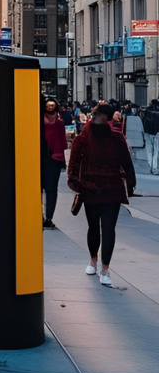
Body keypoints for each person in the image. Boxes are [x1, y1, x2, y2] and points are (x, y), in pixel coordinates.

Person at [67, 101, 136, 286]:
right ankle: (93, 260)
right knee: (93, 228)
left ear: (105, 117)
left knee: (108, 229)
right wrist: (76, 183)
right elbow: (73, 164)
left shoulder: (116, 138)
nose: (94, 116)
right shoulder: (83, 138)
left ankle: (105, 268)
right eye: (94, 113)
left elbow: (126, 162)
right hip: (90, 188)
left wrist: (130, 183)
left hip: (111, 187)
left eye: (97, 114)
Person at [41, 98, 67, 229]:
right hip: (44, 157)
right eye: (48, 105)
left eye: (52, 105)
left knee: (50, 190)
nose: (50, 107)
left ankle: (48, 217)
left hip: (53, 158)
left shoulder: (59, 122)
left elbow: (63, 140)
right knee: (48, 190)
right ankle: (43, 216)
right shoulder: (41, 121)